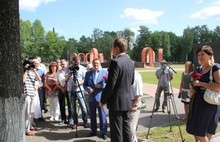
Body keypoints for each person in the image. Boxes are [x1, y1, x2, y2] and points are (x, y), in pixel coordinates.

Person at [99, 38, 135, 142]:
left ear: (117, 49)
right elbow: (131, 81)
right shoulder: (131, 62)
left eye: (112, 48)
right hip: (127, 101)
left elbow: (110, 85)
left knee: (116, 132)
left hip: (116, 102)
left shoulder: (115, 62)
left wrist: (102, 100)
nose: (112, 50)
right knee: (126, 129)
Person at [186, 45, 220, 142]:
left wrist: (201, 83)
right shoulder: (198, 69)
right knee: (197, 134)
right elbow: (194, 84)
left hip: (208, 104)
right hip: (196, 102)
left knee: (200, 133)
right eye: (198, 55)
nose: (200, 57)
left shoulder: (215, 68)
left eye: (202, 54)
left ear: (210, 55)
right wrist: (192, 87)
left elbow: (219, 87)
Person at [83, 58, 108, 140]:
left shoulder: (105, 72)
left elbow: (109, 85)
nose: (95, 65)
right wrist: (88, 89)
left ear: (100, 64)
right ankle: (93, 130)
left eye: (97, 63)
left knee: (102, 116)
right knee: (92, 115)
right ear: (92, 64)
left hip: (101, 98)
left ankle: (103, 132)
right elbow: (85, 85)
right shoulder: (88, 73)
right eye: (94, 64)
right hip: (91, 98)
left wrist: (101, 86)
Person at [65, 56, 88, 129]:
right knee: (73, 108)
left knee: (83, 107)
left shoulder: (82, 68)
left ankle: (85, 121)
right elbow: (66, 79)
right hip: (70, 89)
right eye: (76, 61)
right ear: (73, 61)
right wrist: (70, 71)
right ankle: (75, 123)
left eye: (78, 61)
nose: (77, 62)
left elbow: (85, 79)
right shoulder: (68, 68)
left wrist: (79, 83)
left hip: (79, 89)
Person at [23, 59, 41, 136]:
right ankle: (26, 129)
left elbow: (39, 79)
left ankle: (30, 127)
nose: (30, 66)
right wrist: (26, 70)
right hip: (26, 94)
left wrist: (34, 70)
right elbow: (23, 80)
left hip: (32, 94)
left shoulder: (33, 72)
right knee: (27, 112)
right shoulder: (24, 73)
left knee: (31, 112)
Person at [128, 71, 144, 142]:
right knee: (130, 125)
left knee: (131, 126)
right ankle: (133, 139)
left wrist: (135, 105)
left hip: (133, 102)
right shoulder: (126, 74)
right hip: (128, 103)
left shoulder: (136, 77)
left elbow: (139, 95)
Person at [54, 59, 68, 125]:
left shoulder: (69, 71)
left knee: (70, 105)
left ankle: (70, 119)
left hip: (68, 89)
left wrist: (66, 88)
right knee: (62, 105)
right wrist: (62, 88)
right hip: (61, 89)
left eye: (64, 64)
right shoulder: (58, 71)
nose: (62, 65)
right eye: (61, 64)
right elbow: (56, 81)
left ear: (66, 64)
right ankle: (63, 119)